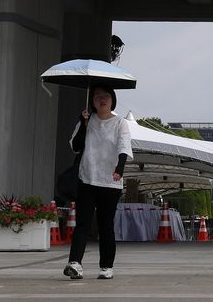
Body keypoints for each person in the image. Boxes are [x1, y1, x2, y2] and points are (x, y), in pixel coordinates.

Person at [64, 85, 132, 281]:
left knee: (105, 225)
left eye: (106, 96)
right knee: (82, 223)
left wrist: (120, 168)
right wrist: (83, 123)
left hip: (110, 182)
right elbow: (76, 146)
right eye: (97, 97)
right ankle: (75, 263)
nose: (102, 99)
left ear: (112, 100)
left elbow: (124, 147)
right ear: (92, 102)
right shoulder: (87, 120)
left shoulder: (120, 123)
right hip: (87, 178)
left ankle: (106, 266)